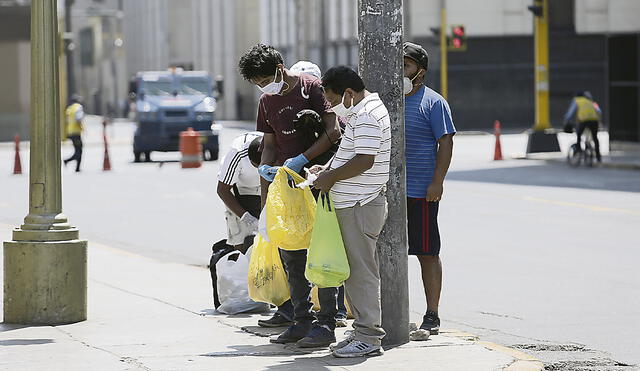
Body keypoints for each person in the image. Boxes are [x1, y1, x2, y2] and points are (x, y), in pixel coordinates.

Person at [238, 44, 342, 348]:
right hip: (286, 186)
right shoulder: (266, 101)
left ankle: (326, 324)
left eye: (264, 79)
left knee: (320, 253)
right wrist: (267, 178)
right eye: (257, 83)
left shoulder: (313, 88)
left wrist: (302, 159)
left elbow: (333, 132)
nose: (263, 86)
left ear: (280, 68)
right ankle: (301, 321)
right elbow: (268, 143)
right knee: (291, 255)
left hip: (318, 180)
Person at [312, 66, 391, 358]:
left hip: (360, 205)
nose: (332, 107)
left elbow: (365, 160)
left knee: (360, 272)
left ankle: (369, 337)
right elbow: (351, 153)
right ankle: (361, 330)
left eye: (333, 100)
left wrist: (331, 178)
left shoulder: (367, 115)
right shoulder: (360, 112)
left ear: (348, 93)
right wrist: (327, 169)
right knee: (353, 272)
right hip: (352, 204)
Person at [403, 42, 456, 335]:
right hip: (389, 194)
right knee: (387, 252)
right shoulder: (388, 100)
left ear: (420, 72)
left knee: (426, 252)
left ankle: (432, 313)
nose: (401, 71)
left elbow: (445, 142)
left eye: (406, 65)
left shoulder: (433, 102)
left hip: (421, 191)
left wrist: (437, 182)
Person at [563, 91, 602, 162]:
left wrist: (566, 120)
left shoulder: (577, 101)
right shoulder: (591, 101)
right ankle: (598, 156)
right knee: (595, 137)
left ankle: (578, 150)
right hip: (594, 120)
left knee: (579, 134)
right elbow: (599, 111)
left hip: (584, 120)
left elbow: (570, 113)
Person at [63, 94, 85, 172]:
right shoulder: (78, 107)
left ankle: (77, 168)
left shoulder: (69, 108)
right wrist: (81, 127)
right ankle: (68, 161)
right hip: (76, 131)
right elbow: (79, 118)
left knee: (77, 150)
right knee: (79, 151)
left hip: (70, 131)